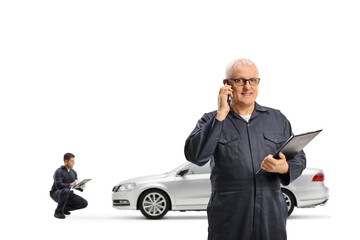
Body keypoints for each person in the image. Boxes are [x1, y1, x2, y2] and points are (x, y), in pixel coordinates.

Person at [184, 58, 306, 240]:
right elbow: (196, 156)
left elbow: (299, 158)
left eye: (253, 80)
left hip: (270, 215)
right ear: (227, 85)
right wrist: (220, 115)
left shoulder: (276, 118)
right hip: (229, 216)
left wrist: (285, 168)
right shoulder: (211, 119)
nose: (247, 87)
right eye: (240, 81)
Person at [50, 153, 88, 219]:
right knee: (66, 190)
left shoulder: (73, 172)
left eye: (74, 161)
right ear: (66, 161)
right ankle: (58, 211)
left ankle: (63, 208)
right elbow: (59, 185)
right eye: (72, 161)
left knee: (84, 203)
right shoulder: (58, 171)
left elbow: (75, 185)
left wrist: (80, 187)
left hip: (67, 193)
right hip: (56, 193)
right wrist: (69, 185)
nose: (74, 163)